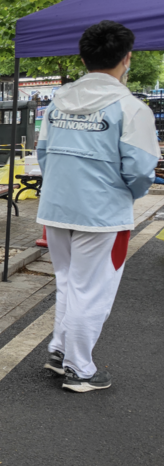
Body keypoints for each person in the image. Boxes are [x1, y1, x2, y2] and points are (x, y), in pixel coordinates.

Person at [37, 20, 159, 392]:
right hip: (102, 214)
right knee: (92, 290)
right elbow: (140, 172)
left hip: (56, 208)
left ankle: (60, 350)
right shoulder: (131, 108)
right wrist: (121, 194)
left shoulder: (57, 101)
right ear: (127, 59)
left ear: (83, 57)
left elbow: (43, 154)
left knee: (68, 282)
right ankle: (80, 368)